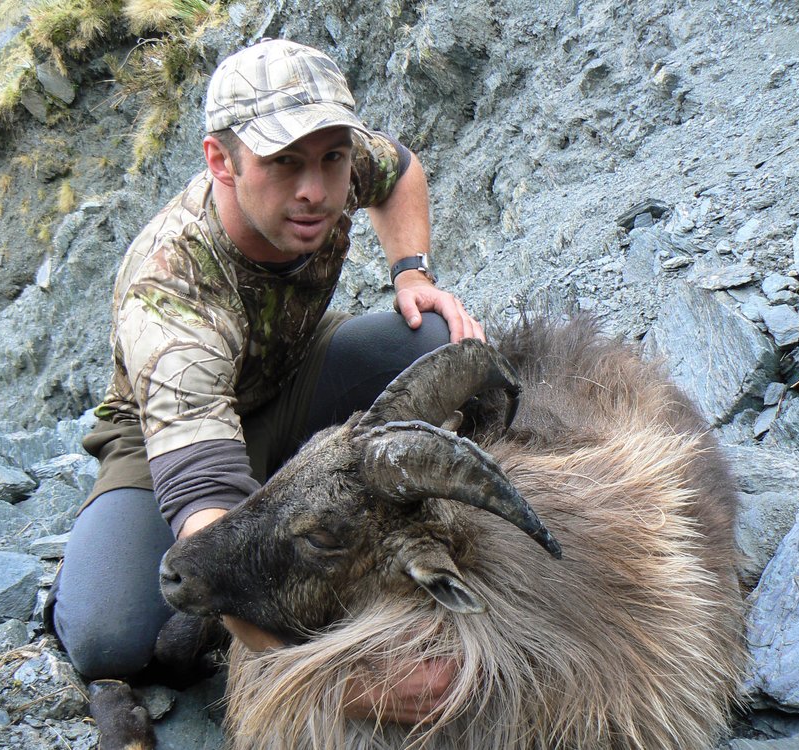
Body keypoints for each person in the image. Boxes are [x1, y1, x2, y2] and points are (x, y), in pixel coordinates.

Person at [46, 38, 484, 723]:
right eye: (284, 164)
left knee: (434, 341)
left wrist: (412, 274)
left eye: (329, 159)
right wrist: (348, 682)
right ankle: (89, 571)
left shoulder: (333, 164)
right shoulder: (171, 291)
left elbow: (398, 171)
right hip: (169, 435)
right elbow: (209, 514)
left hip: (290, 377)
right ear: (221, 160)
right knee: (113, 639)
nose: (314, 191)